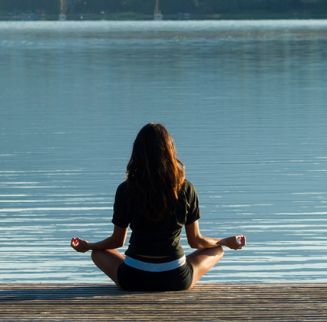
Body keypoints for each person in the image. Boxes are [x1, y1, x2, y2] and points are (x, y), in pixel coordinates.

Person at [71, 122, 245, 291]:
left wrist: (88, 246)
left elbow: (117, 241)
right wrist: (226, 242)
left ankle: (135, 265)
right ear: (170, 151)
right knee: (217, 249)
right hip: (176, 278)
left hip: (133, 278)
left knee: (98, 252)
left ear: (137, 153)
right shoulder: (185, 188)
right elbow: (196, 241)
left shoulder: (126, 189)